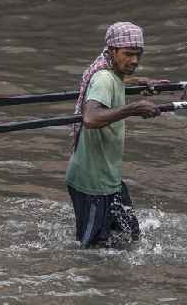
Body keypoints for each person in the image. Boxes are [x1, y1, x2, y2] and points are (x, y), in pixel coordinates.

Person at [66, 22, 164, 248]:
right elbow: (90, 118)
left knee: (130, 237)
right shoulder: (103, 79)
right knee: (91, 250)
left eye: (138, 55)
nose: (135, 61)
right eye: (128, 54)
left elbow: (115, 80)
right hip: (92, 183)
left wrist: (140, 82)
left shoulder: (111, 73)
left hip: (109, 177)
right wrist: (133, 109)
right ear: (112, 51)